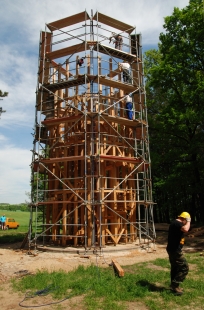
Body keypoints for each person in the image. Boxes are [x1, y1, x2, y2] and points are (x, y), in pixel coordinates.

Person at [166, 212, 191, 295]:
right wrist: (189, 221)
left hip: (172, 249)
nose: (186, 222)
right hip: (175, 250)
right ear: (184, 219)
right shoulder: (177, 223)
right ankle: (175, 285)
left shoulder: (175, 223)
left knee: (175, 268)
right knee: (184, 268)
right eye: (186, 220)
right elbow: (186, 229)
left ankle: (174, 286)